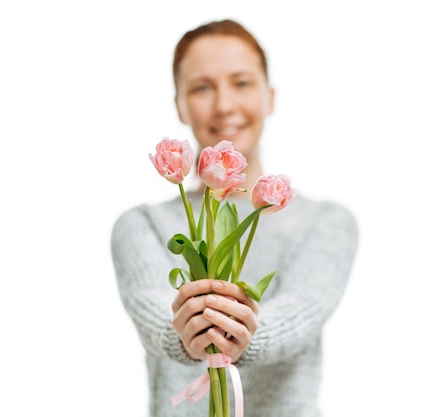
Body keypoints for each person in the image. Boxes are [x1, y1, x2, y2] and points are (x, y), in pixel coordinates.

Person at [111, 19, 358, 417]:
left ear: (270, 97)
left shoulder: (326, 221)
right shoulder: (140, 224)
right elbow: (154, 310)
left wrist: (243, 333)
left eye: (242, 83)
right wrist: (185, 333)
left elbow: (303, 309)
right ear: (179, 104)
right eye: (201, 87)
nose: (224, 105)